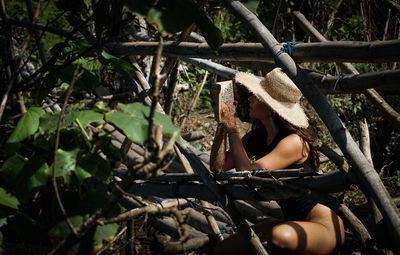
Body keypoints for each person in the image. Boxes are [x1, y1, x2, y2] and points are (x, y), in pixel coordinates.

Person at [210, 68, 345, 254]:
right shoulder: (258, 137)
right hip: (290, 222)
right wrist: (222, 126)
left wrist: (233, 129)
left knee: (278, 237)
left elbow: (246, 173)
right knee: (223, 249)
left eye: (256, 96)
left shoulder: (294, 142)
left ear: (271, 107)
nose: (249, 98)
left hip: (322, 226)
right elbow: (218, 166)